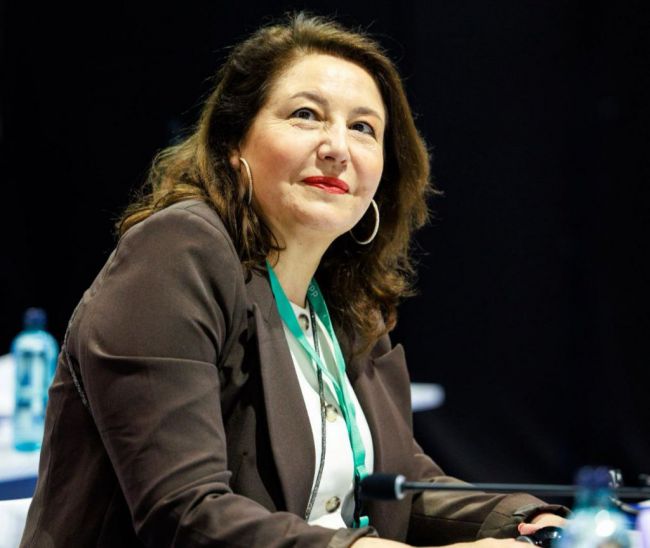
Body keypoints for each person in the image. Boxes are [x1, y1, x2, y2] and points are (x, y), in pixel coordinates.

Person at [20, 13, 568, 548]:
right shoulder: (178, 252)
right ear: (233, 143)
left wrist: (528, 521)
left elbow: (396, 482)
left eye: (363, 128)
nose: (337, 148)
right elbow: (184, 514)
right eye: (306, 115)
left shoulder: (345, 300)